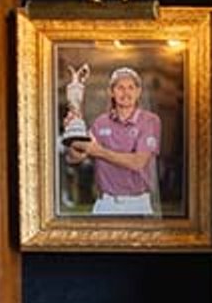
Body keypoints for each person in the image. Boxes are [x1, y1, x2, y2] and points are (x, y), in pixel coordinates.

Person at [64, 66, 161, 216]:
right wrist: (72, 132)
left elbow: (138, 162)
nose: (126, 93)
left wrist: (99, 151)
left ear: (138, 92)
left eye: (131, 87)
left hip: (137, 204)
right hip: (105, 204)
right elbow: (76, 157)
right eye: (120, 88)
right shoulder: (101, 122)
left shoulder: (149, 121)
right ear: (111, 92)